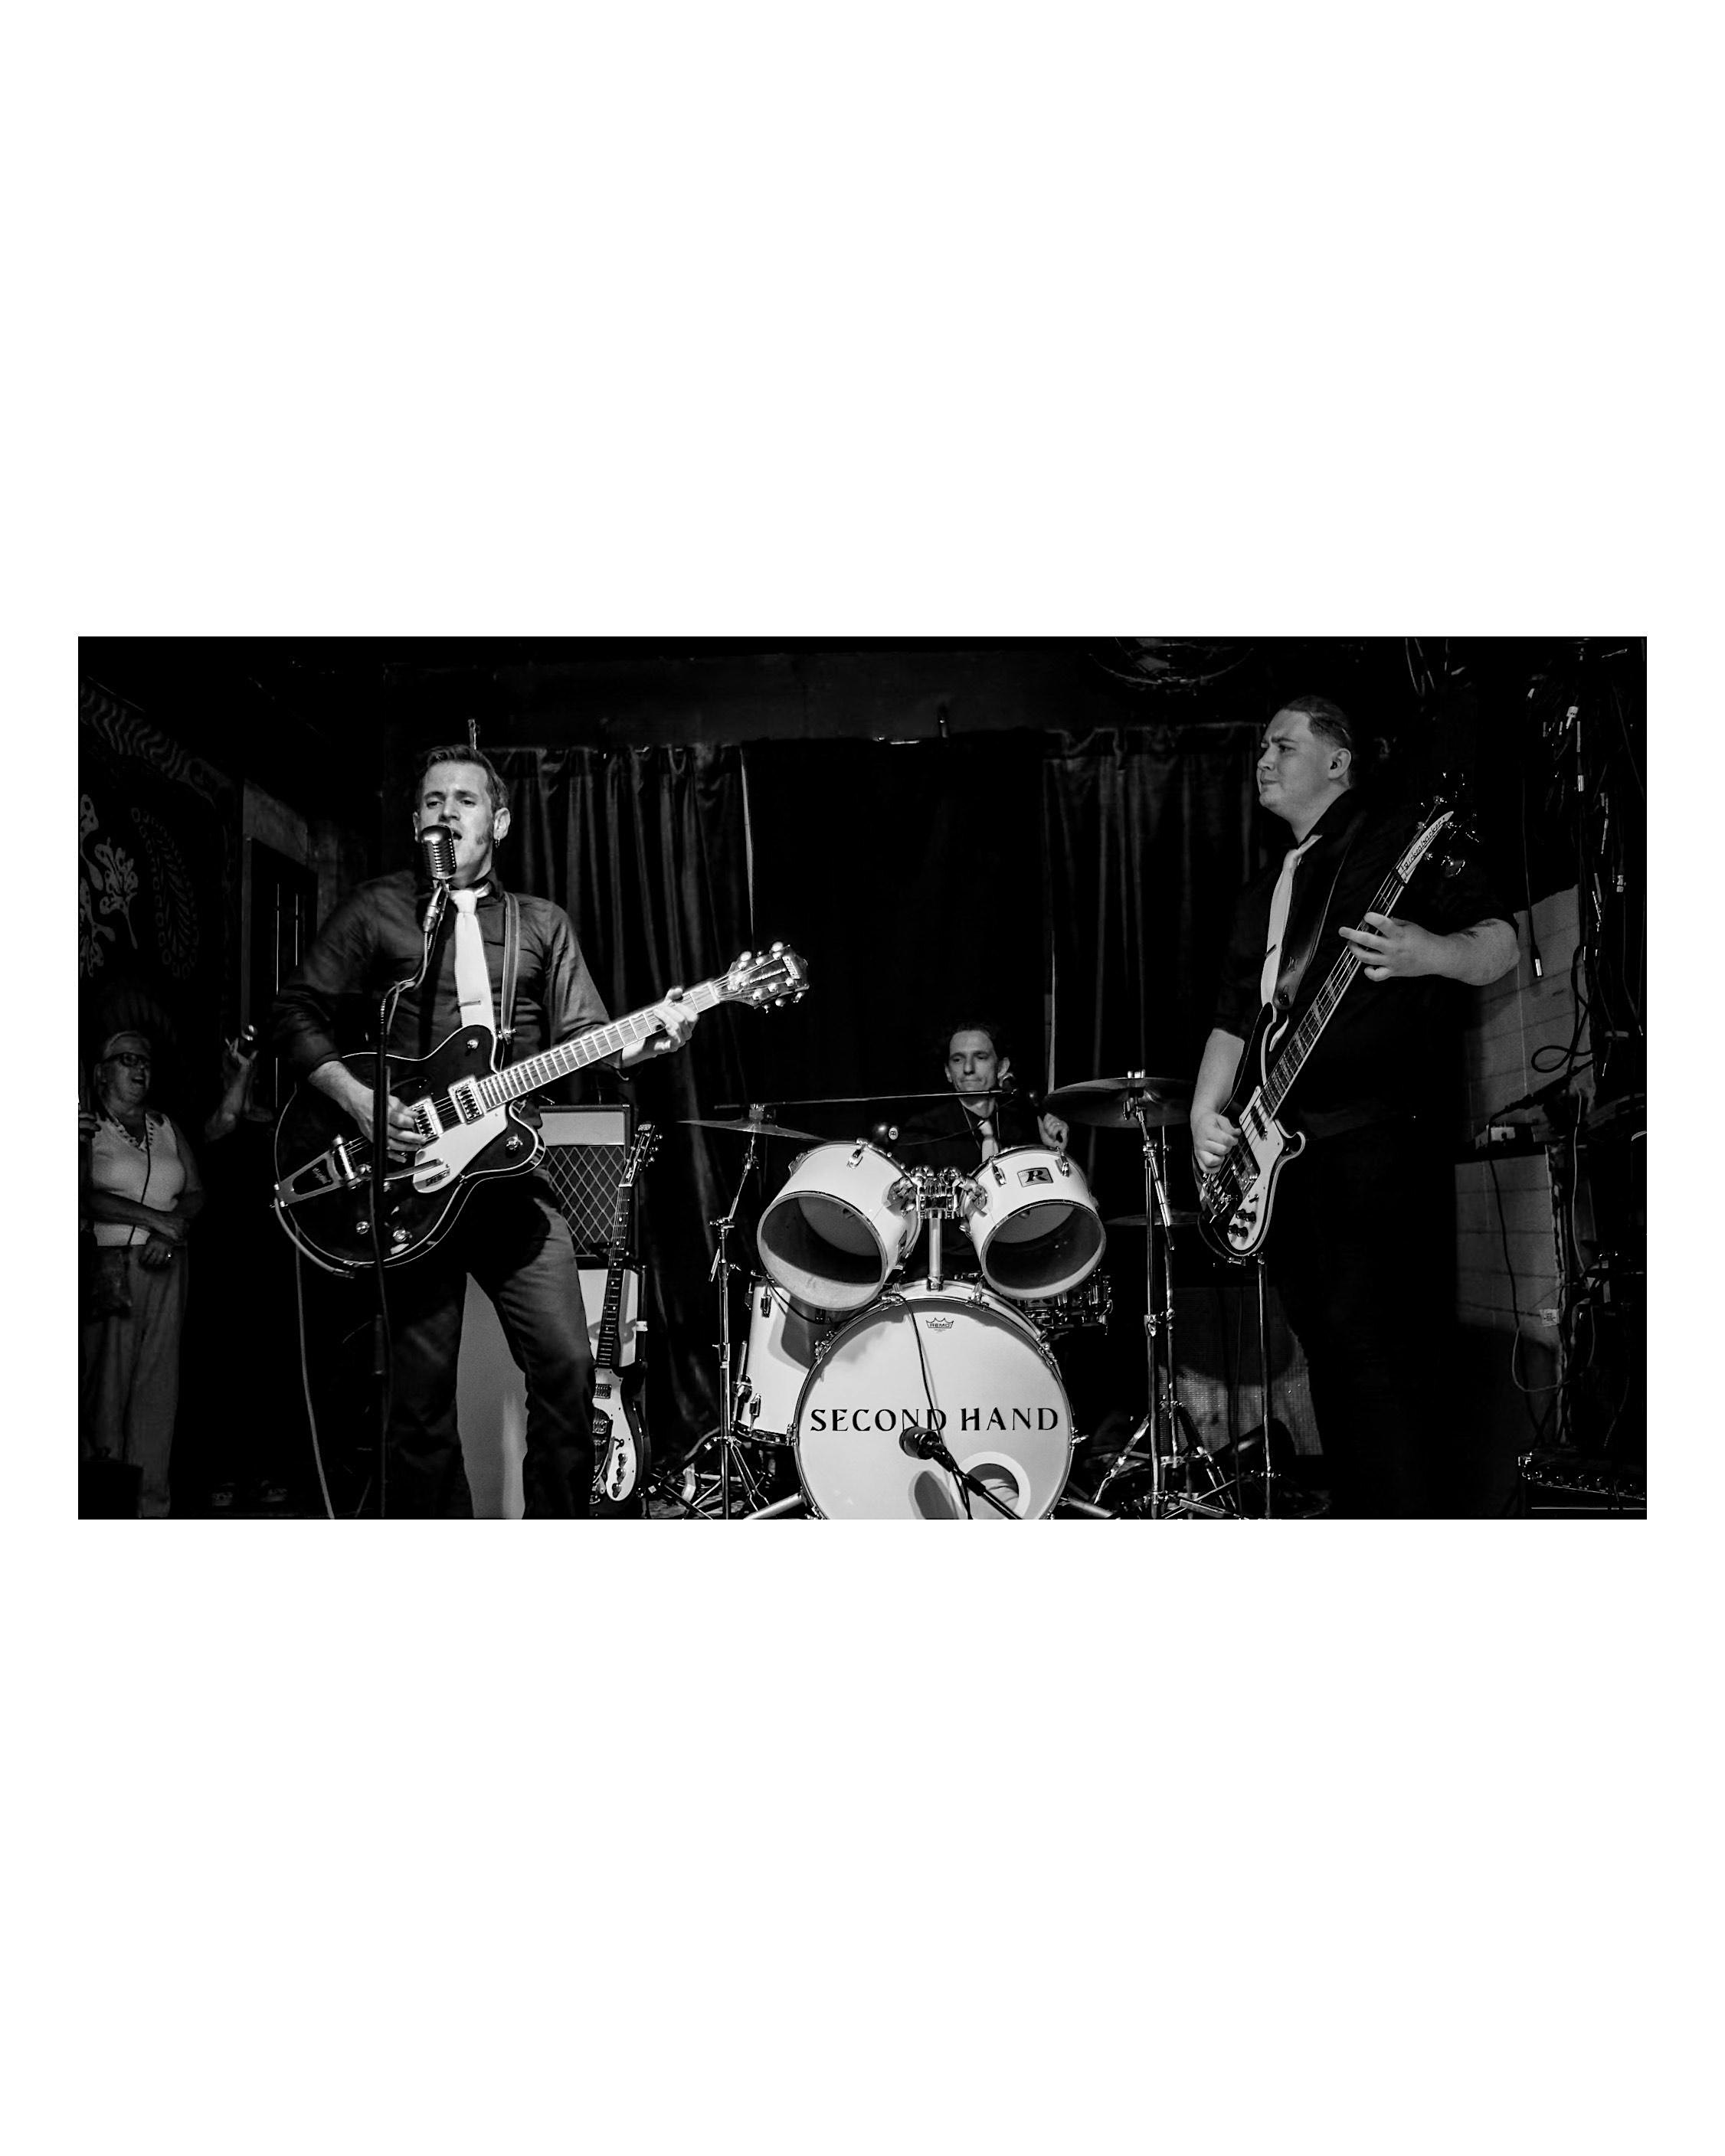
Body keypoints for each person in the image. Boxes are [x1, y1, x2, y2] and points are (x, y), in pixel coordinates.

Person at [273, 744, 697, 1517]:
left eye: (464, 800)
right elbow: (293, 1011)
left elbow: (589, 1037)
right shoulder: (376, 908)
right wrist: (361, 1099)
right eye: (433, 800)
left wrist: (647, 1039)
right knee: (418, 1399)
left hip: (510, 1179)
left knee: (568, 1368)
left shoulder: (541, 923)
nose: (446, 812)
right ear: (415, 821)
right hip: (410, 1182)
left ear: (498, 822)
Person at [1189, 695, 1519, 1517]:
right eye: (1260, 749)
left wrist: (1428, 951)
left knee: (1382, 1363)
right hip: (1287, 1164)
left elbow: (1501, 943)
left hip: (1374, 1147)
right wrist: (1204, 1114)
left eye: (1283, 746)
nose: (1263, 760)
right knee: (1329, 1360)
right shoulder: (1261, 892)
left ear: (1338, 760)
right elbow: (1234, 1020)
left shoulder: (1397, 838)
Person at [80, 1029, 205, 1517]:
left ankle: (151, 1509)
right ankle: (104, 1508)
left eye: (145, 1061)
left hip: (167, 1263)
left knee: (158, 1387)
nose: (139, 1068)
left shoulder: (165, 1126)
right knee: (107, 1387)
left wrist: (167, 1235)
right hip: (112, 1265)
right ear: (101, 1072)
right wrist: (156, 1220)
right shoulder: (88, 1127)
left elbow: (194, 1192)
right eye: (127, 1059)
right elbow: (83, 1198)